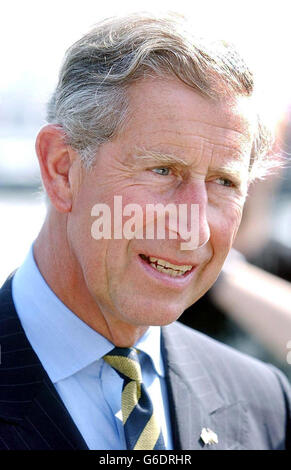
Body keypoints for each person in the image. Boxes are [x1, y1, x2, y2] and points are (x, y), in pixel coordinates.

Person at [0, 13, 290, 451]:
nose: (193, 226)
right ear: (62, 169)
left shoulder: (263, 404)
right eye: (162, 170)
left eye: (224, 182)